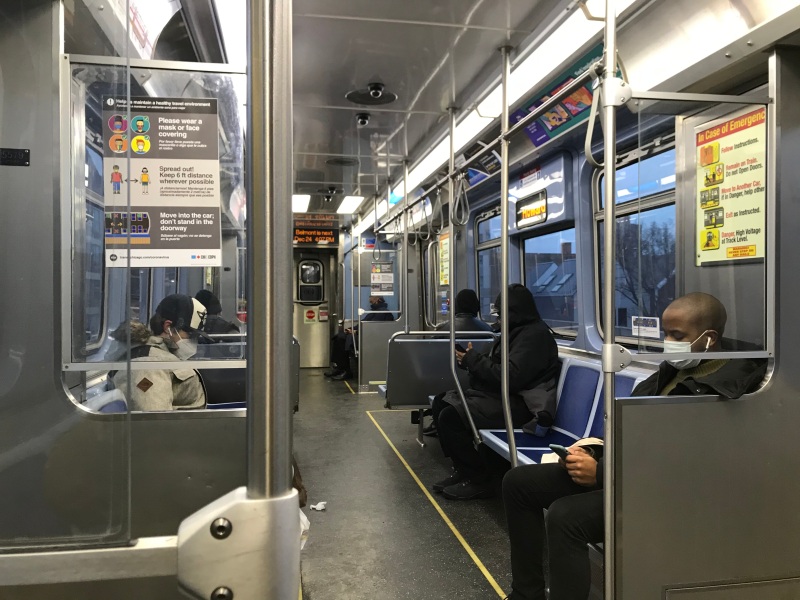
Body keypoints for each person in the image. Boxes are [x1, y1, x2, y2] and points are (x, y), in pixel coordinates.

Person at [501, 292, 767, 600]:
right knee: (519, 483)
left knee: (566, 516)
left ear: (709, 339)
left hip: (668, 492)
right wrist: (594, 454)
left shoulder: (722, 394)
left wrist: (602, 474)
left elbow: (686, 464)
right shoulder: (669, 373)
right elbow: (632, 433)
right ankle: (526, 594)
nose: (668, 342)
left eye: (677, 335)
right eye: (666, 333)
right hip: (631, 475)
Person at [432, 284, 560, 500]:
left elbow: (510, 377)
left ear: (513, 312)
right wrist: (470, 361)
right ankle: (463, 468)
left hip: (522, 405)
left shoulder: (534, 337)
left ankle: (478, 479)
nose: (498, 319)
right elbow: (499, 368)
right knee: (440, 402)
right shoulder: (516, 332)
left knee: (451, 416)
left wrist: (473, 360)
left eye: (501, 314)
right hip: (503, 397)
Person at [110, 294, 209, 411]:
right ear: (168, 327)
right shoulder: (148, 365)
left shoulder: (164, 354)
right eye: (191, 335)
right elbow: (154, 416)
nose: (194, 342)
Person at [423, 289, 493, 437]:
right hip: (476, 383)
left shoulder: (442, 330)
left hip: (441, 382)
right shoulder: (488, 331)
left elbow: (431, 360)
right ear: (476, 307)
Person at [325, 295, 394, 381]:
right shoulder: (374, 312)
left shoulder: (382, 312)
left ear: (377, 299)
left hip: (370, 338)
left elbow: (373, 328)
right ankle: (339, 367)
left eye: (371, 297)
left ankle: (346, 371)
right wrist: (351, 329)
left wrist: (356, 332)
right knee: (338, 337)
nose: (369, 298)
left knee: (341, 339)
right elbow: (362, 324)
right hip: (364, 335)